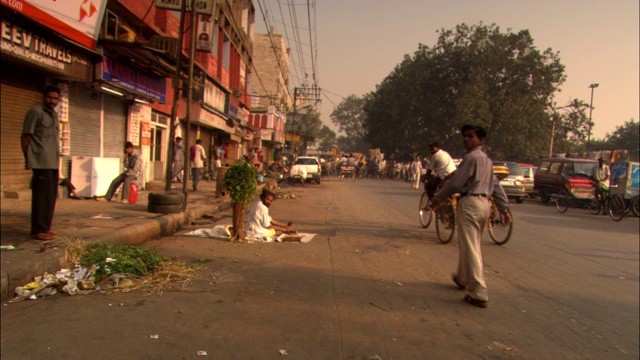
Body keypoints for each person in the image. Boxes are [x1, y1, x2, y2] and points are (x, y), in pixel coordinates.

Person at [431, 124, 511, 308]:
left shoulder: (471, 158)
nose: (466, 139)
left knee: (471, 246)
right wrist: (504, 208)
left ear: (480, 139)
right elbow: (496, 186)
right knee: (469, 242)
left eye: (470, 136)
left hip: (470, 203)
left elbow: (456, 183)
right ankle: (463, 277)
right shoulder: (486, 160)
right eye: (464, 136)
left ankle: (479, 291)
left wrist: (438, 196)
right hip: (484, 205)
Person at [22, 84, 61, 241]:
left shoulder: (54, 115)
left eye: (55, 98)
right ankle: (38, 229)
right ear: (44, 97)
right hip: (40, 161)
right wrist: (27, 158)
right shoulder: (35, 112)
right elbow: (26, 136)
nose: (52, 101)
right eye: (49, 97)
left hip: (52, 162)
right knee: (41, 197)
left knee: (50, 197)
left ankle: (46, 227)